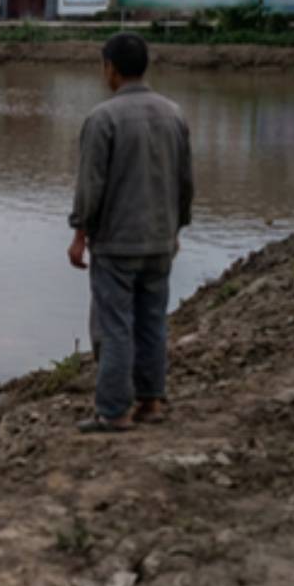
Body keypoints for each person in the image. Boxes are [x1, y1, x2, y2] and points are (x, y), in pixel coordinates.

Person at [68, 32, 193, 434]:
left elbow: (90, 185)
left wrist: (79, 233)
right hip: (160, 240)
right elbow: (185, 182)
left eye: (103, 66)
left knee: (114, 327)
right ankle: (151, 402)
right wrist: (176, 228)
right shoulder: (174, 114)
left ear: (111, 69)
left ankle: (113, 411)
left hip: (117, 242)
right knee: (152, 321)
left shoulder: (103, 118)